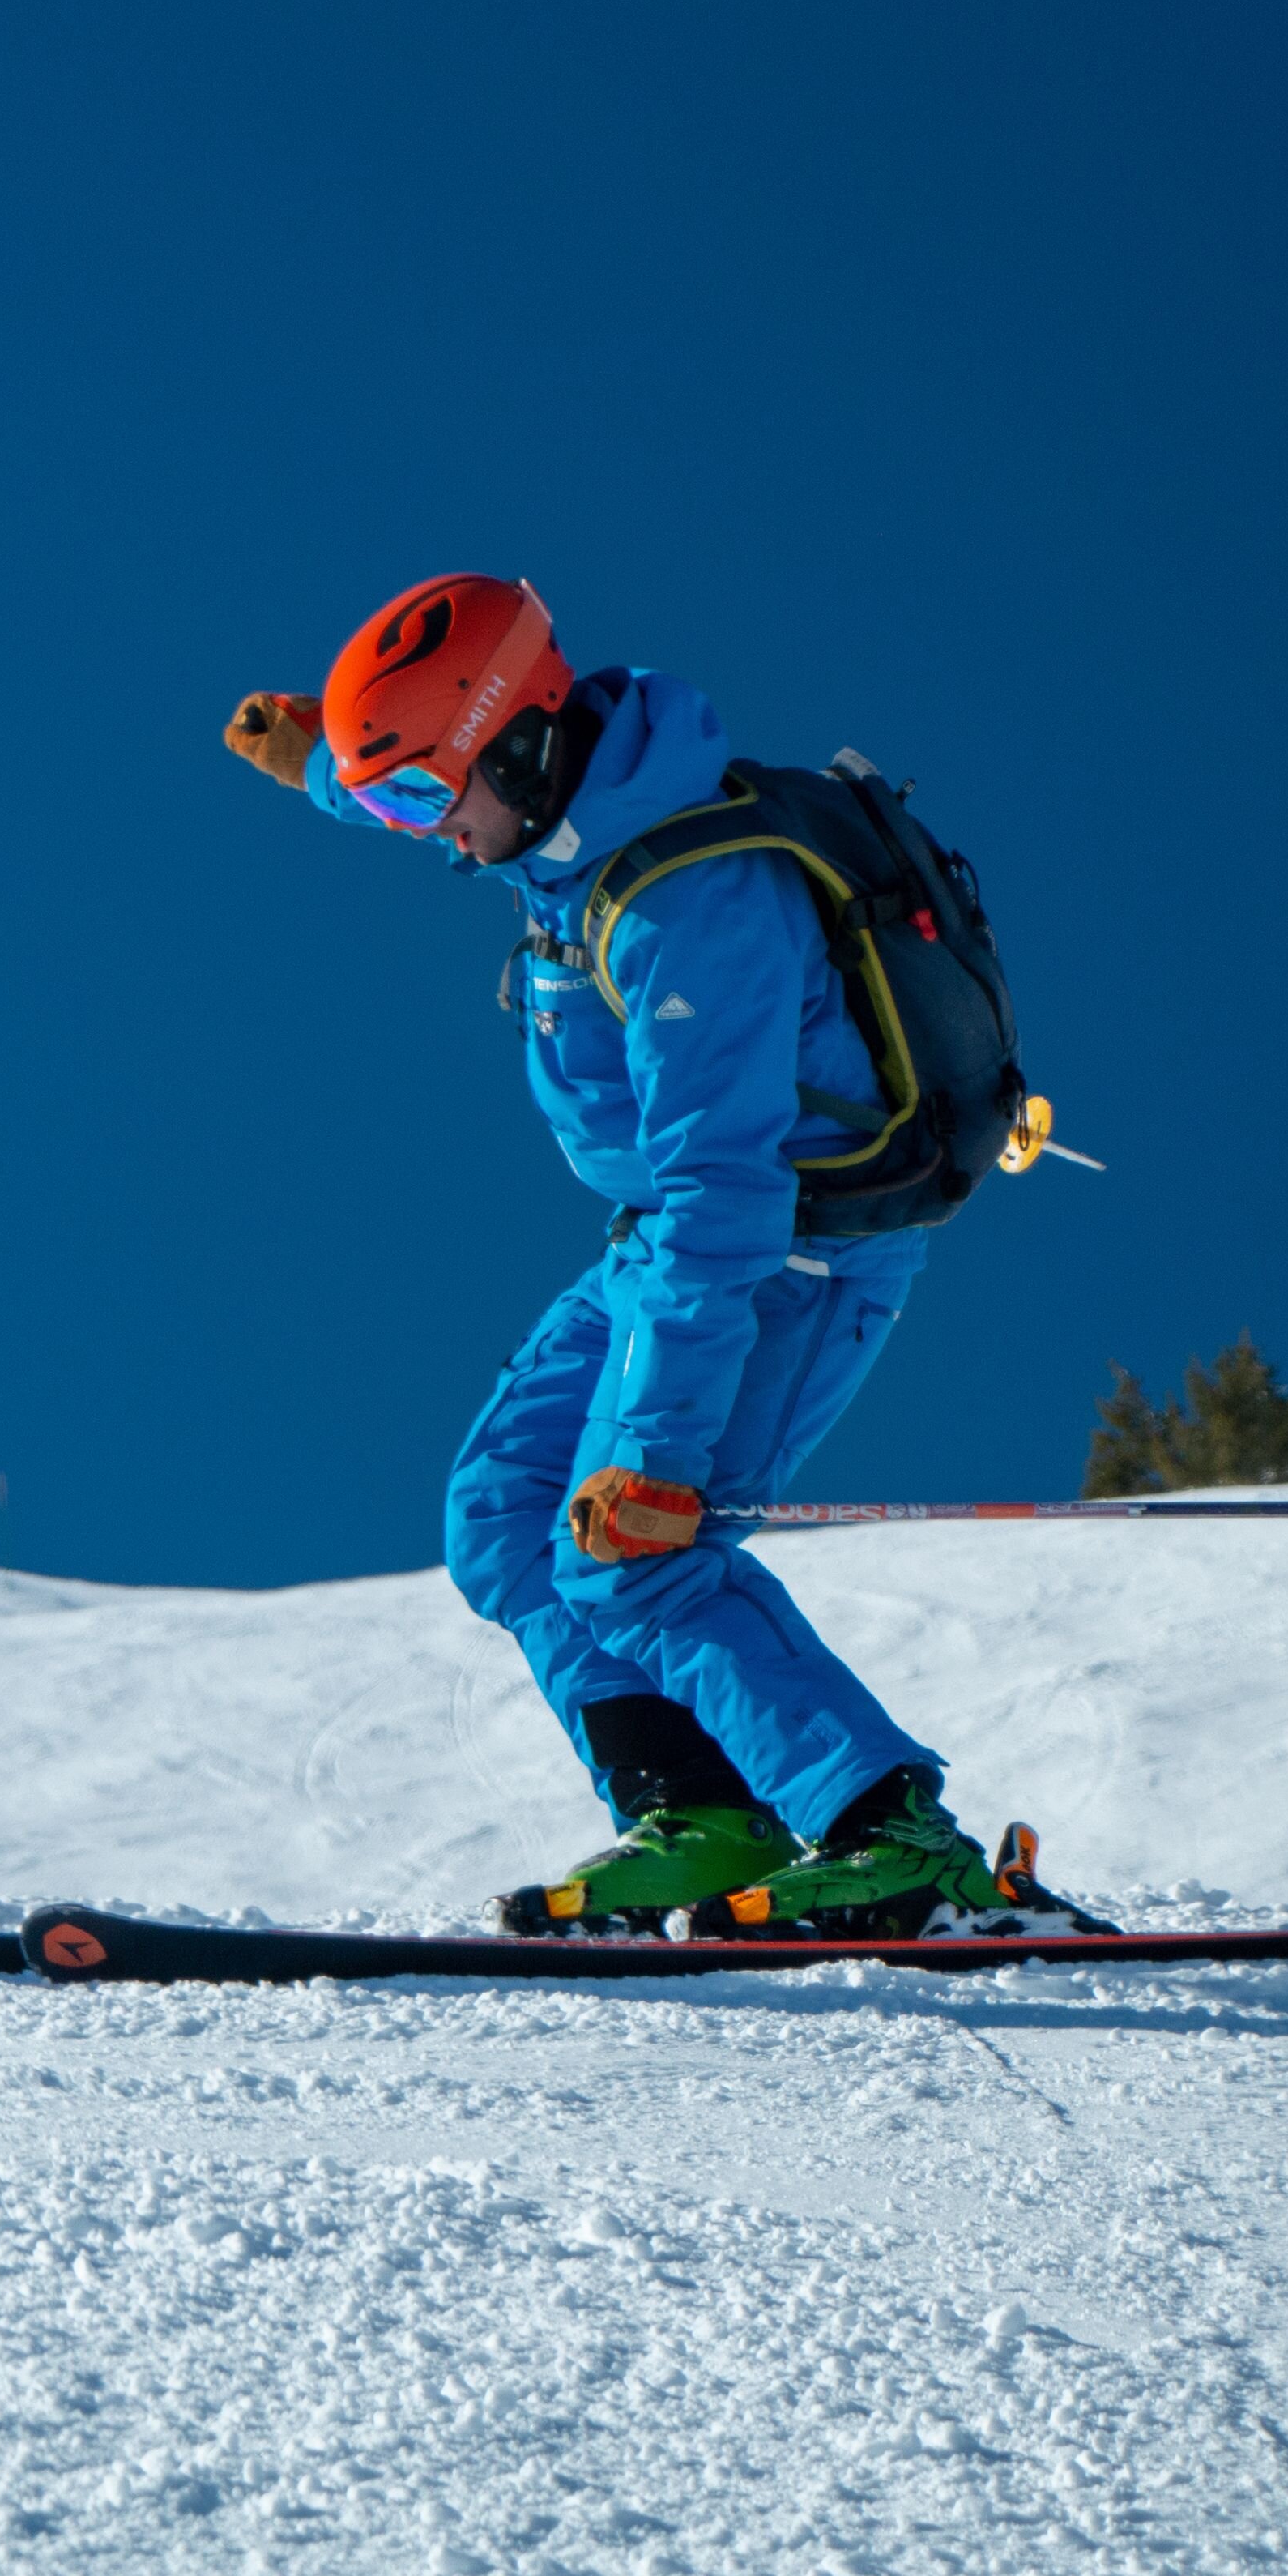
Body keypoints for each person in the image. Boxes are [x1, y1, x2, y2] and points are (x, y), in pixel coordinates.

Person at [224, 575, 1059, 1942]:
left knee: (636, 1548)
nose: (425, 839)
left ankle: (889, 1834)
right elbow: (438, 788)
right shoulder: (556, 822)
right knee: (502, 1518)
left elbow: (721, 1191)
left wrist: (655, 1452)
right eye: (393, 811)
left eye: (417, 801)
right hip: (663, 1248)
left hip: (779, 1255)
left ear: (515, 746)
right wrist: (318, 766)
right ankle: (700, 1815)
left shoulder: (693, 905)